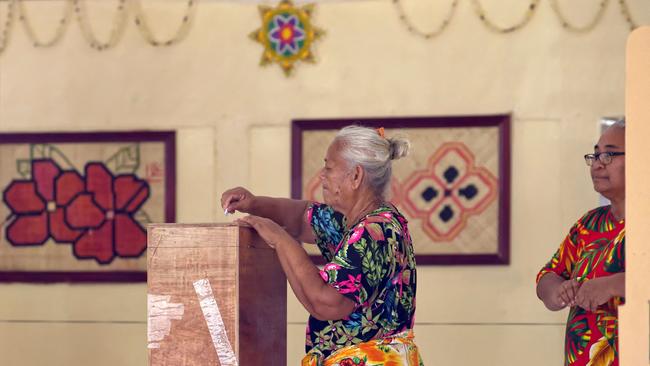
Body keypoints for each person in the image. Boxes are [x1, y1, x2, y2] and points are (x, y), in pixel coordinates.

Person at [221, 125, 422, 366]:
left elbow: (327, 302)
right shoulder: (356, 221)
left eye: (328, 168)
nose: (321, 176)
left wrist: (280, 240)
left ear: (356, 176)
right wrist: (254, 204)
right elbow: (301, 216)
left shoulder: (374, 231)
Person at [536, 119, 626, 366]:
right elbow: (548, 275)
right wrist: (557, 291)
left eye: (608, 155)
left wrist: (613, 285)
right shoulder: (589, 223)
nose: (597, 165)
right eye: (595, 156)